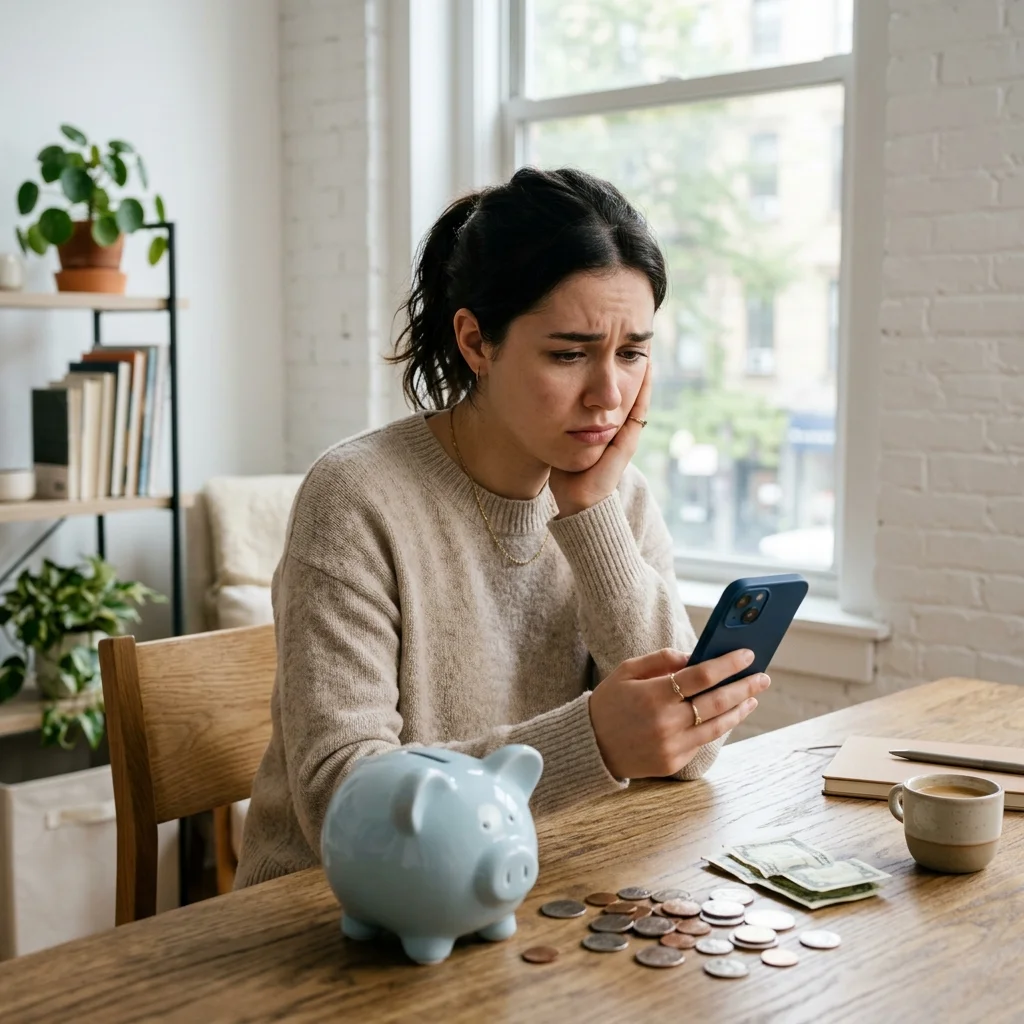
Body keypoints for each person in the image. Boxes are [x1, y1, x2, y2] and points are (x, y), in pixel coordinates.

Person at [235, 167, 770, 888]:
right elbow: (342, 799)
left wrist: (590, 516)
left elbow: (690, 750)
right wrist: (591, 744)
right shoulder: (356, 495)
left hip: (528, 891)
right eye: (569, 353)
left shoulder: (618, 499)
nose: (608, 396)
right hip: (337, 917)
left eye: (632, 352)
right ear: (476, 341)